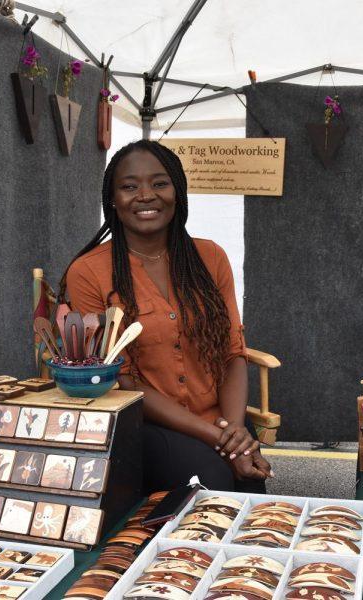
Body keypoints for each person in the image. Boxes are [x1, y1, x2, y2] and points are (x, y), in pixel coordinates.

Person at [62, 140, 272, 494]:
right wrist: (220, 439)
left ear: (178, 191)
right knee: (213, 480)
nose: (145, 195)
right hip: (146, 425)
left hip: (221, 417)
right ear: (113, 199)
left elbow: (232, 353)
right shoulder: (88, 272)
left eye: (159, 183)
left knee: (250, 486)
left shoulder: (210, 258)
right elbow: (123, 381)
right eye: (129, 187)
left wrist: (236, 432)